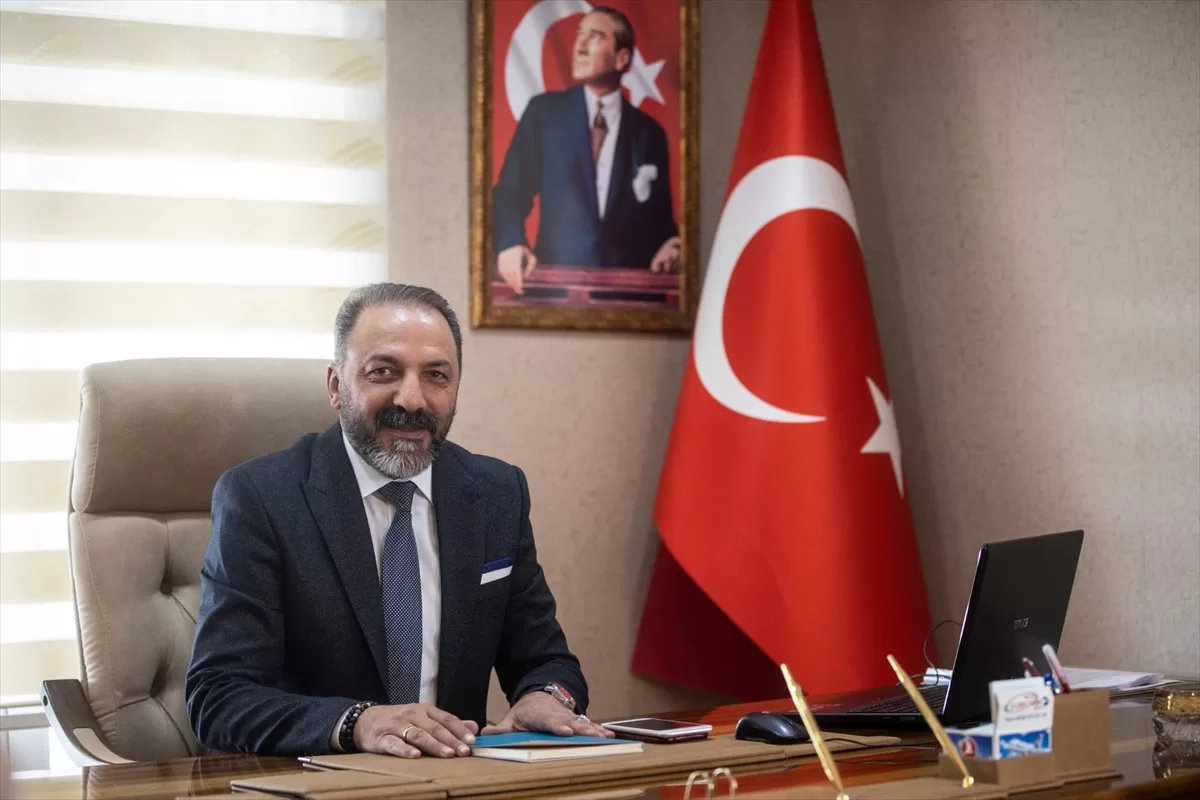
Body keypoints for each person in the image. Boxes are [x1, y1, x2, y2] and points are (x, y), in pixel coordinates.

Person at [186, 283, 613, 756]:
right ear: (336, 386)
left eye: (436, 376)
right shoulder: (260, 497)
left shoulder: (496, 494)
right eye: (383, 372)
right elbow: (219, 696)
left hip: (453, 777)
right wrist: (359, 723)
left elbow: (546, 659)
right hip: (315, 779)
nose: (412, 400)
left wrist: (547, 697)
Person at [493, 6, 680, 295]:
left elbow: (661, 222)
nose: (579, 46)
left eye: (595, 37)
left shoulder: (650, 133)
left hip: (628, 300)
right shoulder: (544, 114)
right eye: (579, 34)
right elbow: (509, 194)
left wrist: (672, 245)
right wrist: (510, 243)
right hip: (555, 295)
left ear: (622, 58)